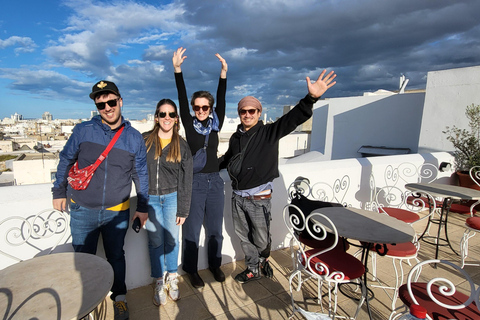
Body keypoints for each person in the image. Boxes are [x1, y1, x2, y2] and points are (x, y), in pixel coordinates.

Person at [219, 69, 337, 283]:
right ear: (239, 113)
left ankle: (264, 259)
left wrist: (311, 98)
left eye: (252, 111)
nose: (247, 115)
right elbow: (227, 159)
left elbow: (291, 119)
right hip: (237, 197)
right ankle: (253, 268)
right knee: (244, 237)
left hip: (259, 198)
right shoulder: (236, 138)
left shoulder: (268, 133)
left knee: (261, 237)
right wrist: (204, 166)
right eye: (243, 111)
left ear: (258, 112)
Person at [52, 80, 149, 320]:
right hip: (82, 209)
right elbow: (65, 160)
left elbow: (141, 173)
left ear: (120, 101)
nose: (107, 107)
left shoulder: (134, 138)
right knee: (83, 260)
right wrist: (58, 191)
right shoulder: (84, 131)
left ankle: (120, 298)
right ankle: (85, 304)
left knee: (116, 256)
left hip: (117, 211)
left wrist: (143, 206)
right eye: (101, 103)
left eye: (111, 101)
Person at [172, 47, 228, 288]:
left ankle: (215, 265)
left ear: (211, 108)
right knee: (192, 231)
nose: (201, 111)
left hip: (215, 181)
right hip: (193, 183)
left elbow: (222, 97)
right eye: (197, 108)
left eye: (205, 107)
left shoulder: (216, 123)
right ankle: (192, 269)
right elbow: (181, 97)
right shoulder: (189, 122)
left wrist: (223, 74)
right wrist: (177, 70)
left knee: (215, 229)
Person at [143, 99, 193, 306]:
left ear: (176, 119)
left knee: (172, 240)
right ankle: (158, 280)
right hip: (151, 199)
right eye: (162, 114)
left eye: (171, 114)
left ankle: (172, 276)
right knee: (155, 242)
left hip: (172, 198)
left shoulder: (181, 145)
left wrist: (183, 208)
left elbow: (186, 179)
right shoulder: (145, 140)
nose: (167, 118)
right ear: (156, 117)